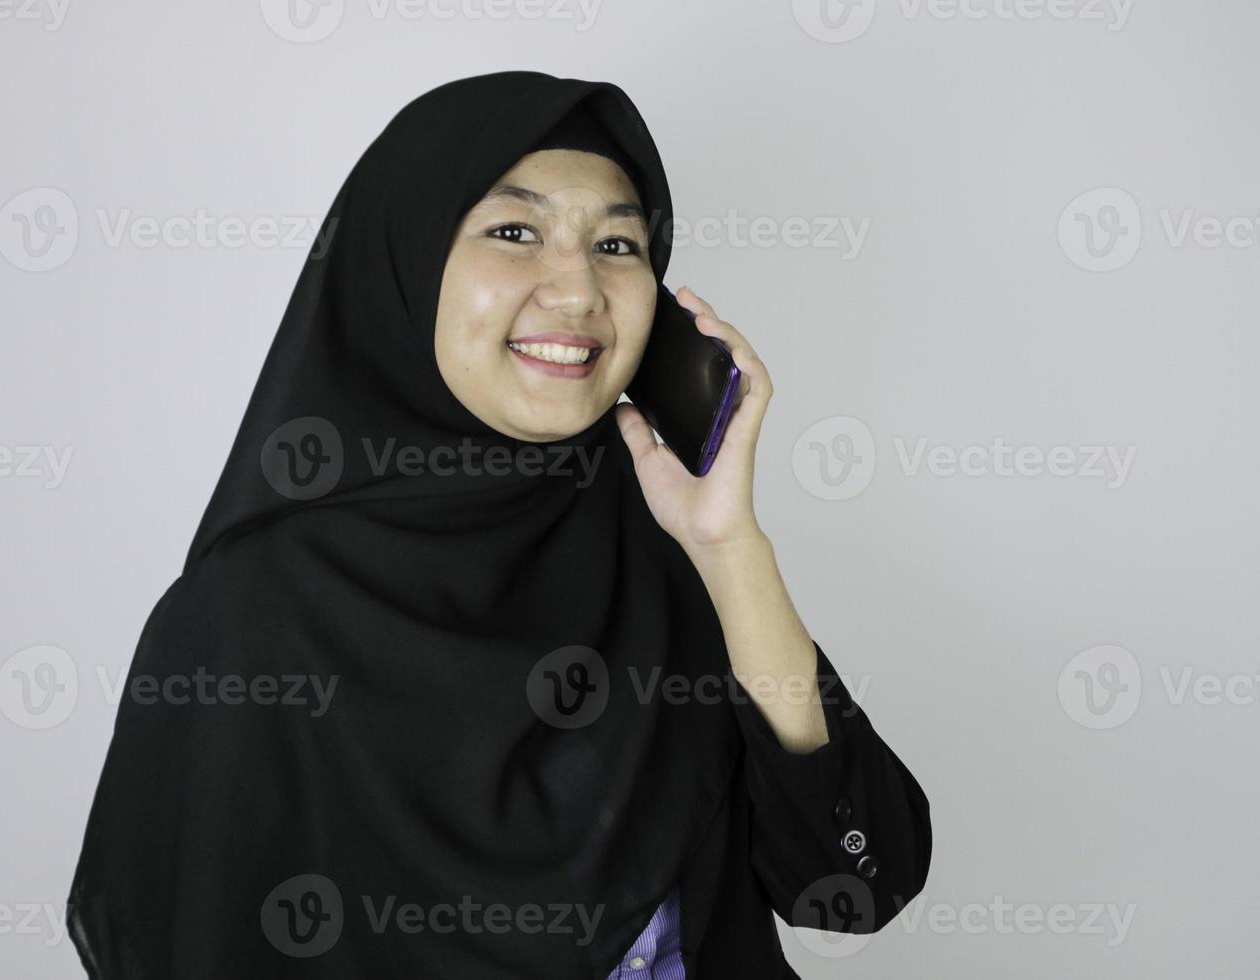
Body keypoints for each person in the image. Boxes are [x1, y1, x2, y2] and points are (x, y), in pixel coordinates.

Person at [65, 70, 930, 979]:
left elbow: (857, 884)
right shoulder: (248, 624)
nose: (578, 291)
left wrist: (729, 548)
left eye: (619, 244)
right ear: (403, 264)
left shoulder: (667, 565)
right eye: (514, 233)